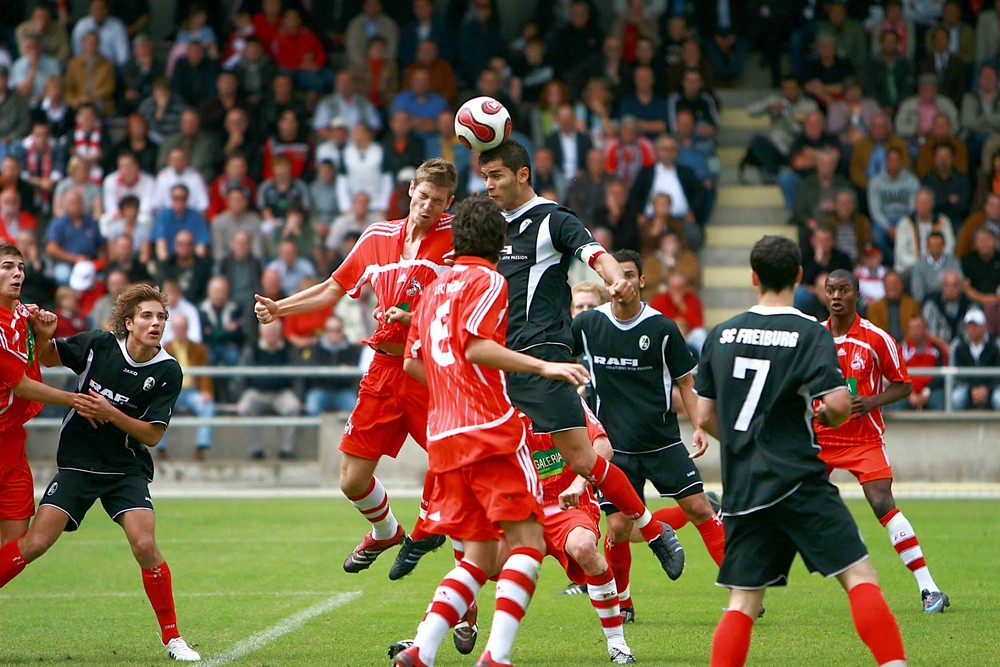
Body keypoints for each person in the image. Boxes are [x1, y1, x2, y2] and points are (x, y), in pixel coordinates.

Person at [391, 193, 589, 667]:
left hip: (443, 436)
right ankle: (496, 657)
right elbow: (477, 348)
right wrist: (544, 366)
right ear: (501, 240)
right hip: (487, 429)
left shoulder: (435, 286)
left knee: (479, 557)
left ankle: (422, 649)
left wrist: (451, 386)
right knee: (529, 543)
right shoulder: (490, 281)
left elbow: (413, 362)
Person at [693, 236, 907, 667]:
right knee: (860, 577)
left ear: (753, 277)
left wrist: (743, 441)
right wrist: (827, 415)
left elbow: (703, 415)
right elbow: (840, 404)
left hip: (745, 485)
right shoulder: (810, 332)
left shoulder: (720, 333)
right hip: (798, 481)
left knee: (743, 603)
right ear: (798, 276)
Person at [479, 139, 684, 580]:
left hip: (541, 358)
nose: (489, 186)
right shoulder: (487, 224)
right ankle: (454, 601)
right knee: (469, 468)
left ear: (522, 174)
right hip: (494, 363)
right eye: (484, 177)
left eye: (495, 176)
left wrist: (616, 281)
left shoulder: (552, 219)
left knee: (582, 459)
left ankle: (652, 530)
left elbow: (595, 254)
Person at [254, 158, 457, 578]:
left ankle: (464, 605)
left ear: (449, 203)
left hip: (430, 371)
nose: (427, 206)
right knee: (351, 479)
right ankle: (385, 531)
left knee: (456, 471)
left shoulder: (459, 237)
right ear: (410, 192)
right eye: (422, 196)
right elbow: (333, 288)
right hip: (384, 368)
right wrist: (280, 308)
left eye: (437, 201)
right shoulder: (377, 237)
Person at [0, 284, 201, 661]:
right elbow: (48, 356)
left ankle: (173, 638)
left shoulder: (168, 370)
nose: (155, 323)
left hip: (125, 469)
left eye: (161, 317)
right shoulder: (98, 344)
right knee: (36, 543)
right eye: (147, 316)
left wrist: (111, 413)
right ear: (129, 322)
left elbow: (153, 435)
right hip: (77, 463)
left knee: (144, 545)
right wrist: (44, 335)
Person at [572, 250, 723, 624]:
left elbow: (686, 381)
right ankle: (623, 602)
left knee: (700, 507)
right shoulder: (589, 324)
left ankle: (742, 588)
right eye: (615, 275)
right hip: (614, 446)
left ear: (640, 281)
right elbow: (557, 358)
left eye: (628, 275)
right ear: (609, 282)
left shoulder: (662, 328)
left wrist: (699, 425)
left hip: (663, 441)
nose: (620, 281)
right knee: (619, 527)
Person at [816, 269, 949, 613]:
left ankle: (929, 589)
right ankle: (752, 593)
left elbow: (903, 384)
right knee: (787, 500)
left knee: (881, 502)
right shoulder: (814, 337)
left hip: (863, 438)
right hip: (822, 438)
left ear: (857, 295)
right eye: (831, 290)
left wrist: (870, 401)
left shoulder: (876, 338)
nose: (836, 296)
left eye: (843, 290)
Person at [0, 243, 82, 545]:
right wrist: (75, 400)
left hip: (12, 438)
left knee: (17, 544)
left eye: (20, 267)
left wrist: (45, 335)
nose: (16, 273)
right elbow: (20, 384)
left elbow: (43, 358)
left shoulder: (21, 314)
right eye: (7, 266)